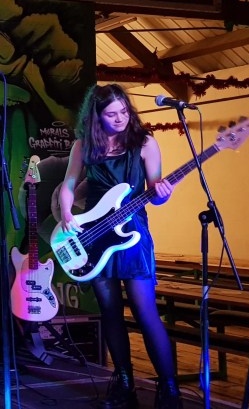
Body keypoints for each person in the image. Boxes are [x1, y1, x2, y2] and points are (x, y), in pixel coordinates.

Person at [58, 83, 181, 409]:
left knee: (145, 311)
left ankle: (169, 388)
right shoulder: (84, 146)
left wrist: (163, 193)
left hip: (133, 235)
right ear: (97, 116)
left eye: (124, 111)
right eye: (111, 114)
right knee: (110, 312)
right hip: (95, 235)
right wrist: (67, 210)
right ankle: (124, 383)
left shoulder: (145, 143)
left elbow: (155, 191)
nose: (120, 118)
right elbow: (69, 184)